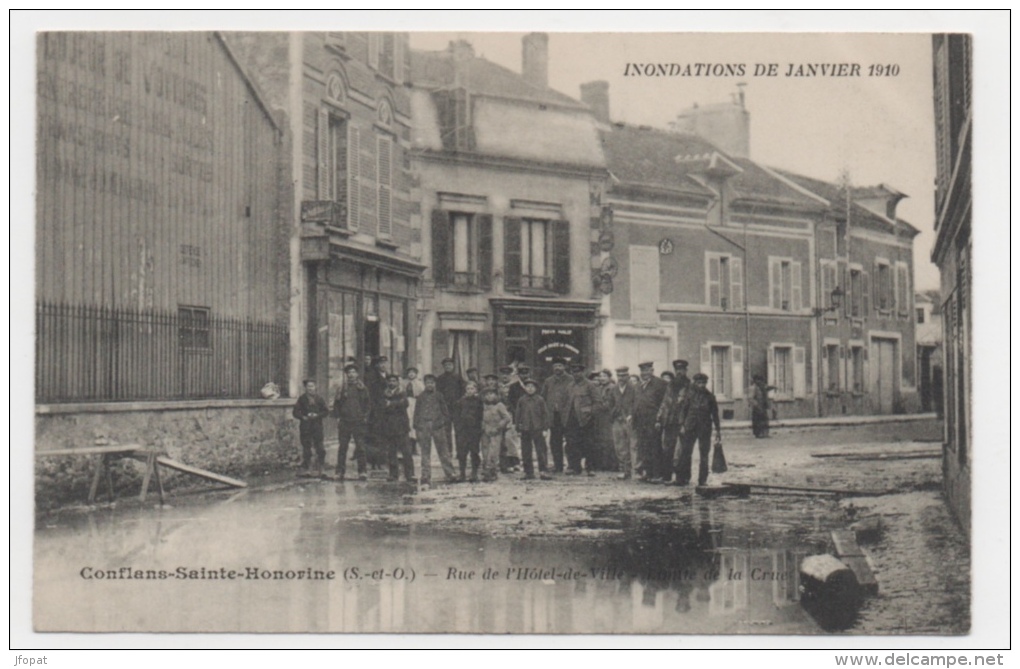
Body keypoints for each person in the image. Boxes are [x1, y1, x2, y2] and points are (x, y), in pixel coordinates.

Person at [673, 372, 722, 487]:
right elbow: (682, 411)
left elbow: (715, 414)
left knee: (704, 454)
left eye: (703, 383)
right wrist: (682, 425)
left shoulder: (710, 397)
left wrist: (718, 430)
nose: (701, 385)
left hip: (705, 429)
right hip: (689, 428)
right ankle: (682, 478)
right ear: (694, 383)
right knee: (685, 453)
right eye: (699, 382)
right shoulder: (689, 395)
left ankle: (702, 480)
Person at [413, 374, 457, 487]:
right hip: (424, 427)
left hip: (438, 426)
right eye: (427, 383)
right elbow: (416, 413)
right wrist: (417, 427)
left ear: (435, 384)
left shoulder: (439, 396)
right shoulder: (420, 397)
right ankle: (425, 476)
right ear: (424, 384)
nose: (430, 385)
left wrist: (442, 423)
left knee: (443, 452)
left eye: (432, 383)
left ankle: (450, 473)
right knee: (425, 453)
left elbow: (445, 411)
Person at [330, 364, 370, 481]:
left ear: (357, 374)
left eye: (353, 372)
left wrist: (364, 417)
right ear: (346, 375)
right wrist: (338, 417)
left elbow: (367, 405)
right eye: (349, 373)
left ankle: (362, 471)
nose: (351, 375)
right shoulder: (342, 388)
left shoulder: (362, 388)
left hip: (358, 422)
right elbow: (336, 405)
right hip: (345, 422)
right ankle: (339, 472)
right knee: (342, 448)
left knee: (361, 448)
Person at [632, 361, 668, 482]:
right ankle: (647, 472)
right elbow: (636, 403)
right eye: (642, 371)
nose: (645, 373)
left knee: (655, 447)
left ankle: (657, 474)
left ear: (652, 371)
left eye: (647, 370)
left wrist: (659, 420)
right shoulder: (638, 385)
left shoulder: (661, 384)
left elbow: (664, 404)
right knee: (643, 448)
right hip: (641, 422)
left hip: (654, 421)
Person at [655, 360, 690, 483]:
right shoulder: (671, 385)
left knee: (682, 451)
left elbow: (689, 407)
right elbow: (665, 403)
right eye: (677, 370)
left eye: (681, 369)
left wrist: (685, 424)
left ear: (686, 370)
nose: (679, 372)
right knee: (667, 449)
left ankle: (682, 478)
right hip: (669, 422)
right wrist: (659, 419)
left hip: (682, 423)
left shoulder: (690, 385)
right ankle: (667, 477)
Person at [565, 362, 600, 476]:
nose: (576, 374)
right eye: (573, 372)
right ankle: (575, 467)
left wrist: (590, 414)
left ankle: (590, 468)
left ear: (583, 372)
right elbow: (566, 402)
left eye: (578, 372)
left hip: (586, 420)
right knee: (572, 444)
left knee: (589, 444)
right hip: (572, 419)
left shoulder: (590, 385)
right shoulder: (570, 386)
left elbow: (597, 402)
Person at [380, 374, 414, 484]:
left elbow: (405, 403)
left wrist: (391, 404)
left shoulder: (402, 392)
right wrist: (394, 405)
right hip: (389, 426)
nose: (392, 383)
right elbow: (381, 406)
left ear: (397, 382)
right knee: (391, 452)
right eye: (390, 381)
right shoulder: (384, 393)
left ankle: (410, 474)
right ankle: (393, 474)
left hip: (401, 426)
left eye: (394, 381)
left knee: (406, 451)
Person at [515, 379, 552, 480]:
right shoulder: (522, 400)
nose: (530, 389)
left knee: (541, 450)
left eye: (532, 387)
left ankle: (543, 471)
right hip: (525, 429)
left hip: (538, 428)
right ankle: (528, 472)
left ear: (536, 389)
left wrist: (545, 428)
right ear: (525, 388)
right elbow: (518, 414)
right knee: (526, 451)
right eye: (528, 387)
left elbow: (545, 414)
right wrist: (518, 428)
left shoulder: (540, 400)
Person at [540, 358, 573, 473]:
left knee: (570, 441)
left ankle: (572, 465)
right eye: (555, 366)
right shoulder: (548, 381)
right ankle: (558, 465)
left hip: (568, 416)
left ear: (565, 367)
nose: (557, 368)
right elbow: (543, 397)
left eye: (560, 365)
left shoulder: (571, 380)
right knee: (555, 441)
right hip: (554, 416)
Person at [292, 379, 329, 478]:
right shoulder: (302, 399)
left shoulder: (319, 399)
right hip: (306, 426)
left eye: (312, 386)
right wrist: (303, 417)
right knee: (306, 448)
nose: (310, 388)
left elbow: (326, 411)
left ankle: (321, 468)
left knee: (320, 448)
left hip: (317, 426)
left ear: (315, 387)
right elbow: (295, 412)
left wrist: (317, 415)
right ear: (305, 388)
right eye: (308, 386)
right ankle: (307, 469)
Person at [606, 366, 637, 479]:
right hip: (617, 420)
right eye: (619, 375)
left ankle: (635, 470)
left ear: (628, 376)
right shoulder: (614, 389)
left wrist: (631, 414)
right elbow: (609, 404)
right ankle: (624, 470)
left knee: (632, 446)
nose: (622, 378)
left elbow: (636, 404)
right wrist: (614, 412)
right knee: (620, 446)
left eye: (624, 375)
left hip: (630, 420)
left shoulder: (634, 388)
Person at [453, 381, 483, 482]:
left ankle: (474, 473)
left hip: (474, 430)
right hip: (463, 431)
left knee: (474, 451)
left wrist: (479, 428)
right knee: (462, 452)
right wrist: (458, 428)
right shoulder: (461, 402)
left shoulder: (479, 401)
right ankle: (462, 474)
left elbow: (481, 415)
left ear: (476, 390)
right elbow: (456, 416)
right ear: (465, 390)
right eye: (468, 389)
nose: (470, 391)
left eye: (472, 388)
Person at [479, 388, 512, 482]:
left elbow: (507, 418)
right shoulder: (483, 406)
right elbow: (480, 417)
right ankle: (486, 470)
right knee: (485, 450)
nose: (489, 396)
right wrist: (482, 426)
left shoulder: (499, 405)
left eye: (491, 394)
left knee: (493, 451)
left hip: (496, 431)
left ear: (496, 395)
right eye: (487, 394)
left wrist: (498, 427)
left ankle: (492, 471)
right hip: (485, 431)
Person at [364, 355, 390, 468]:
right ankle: (374, 461)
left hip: (388, 411)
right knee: (375, 436)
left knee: (386, 436)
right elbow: (369, 395)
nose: (383, 365)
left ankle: (383, 460)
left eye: (385, 363)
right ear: (376, 365)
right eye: (381, 363)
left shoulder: (390, 377)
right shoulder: (371, 377)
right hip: (376, 411)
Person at [435, 357, 465, 454]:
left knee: (459, 431)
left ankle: (460, 452)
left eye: (450, 365)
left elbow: (463, 392)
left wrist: (459, 402)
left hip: (456, 408)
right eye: (446, 365)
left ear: (453, 366)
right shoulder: (440, 379)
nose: (448, 367)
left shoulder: (458, 378)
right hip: (445, 409)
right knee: (446, 431)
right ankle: (449, 451)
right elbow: (438, 393)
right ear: (443, 367)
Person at [497, 365, 524, 472]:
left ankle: (515, 461)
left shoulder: (516, 387)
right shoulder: (497, 387)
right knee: (500, 439)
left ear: (511, 376)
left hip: (511, 415)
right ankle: (503, 462)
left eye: (507, 375)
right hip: (498, 416)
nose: (505, 377)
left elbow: (519, 402)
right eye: (503, 374)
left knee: (511, 438)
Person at [592, 369, 617, 471]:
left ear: (609, 377)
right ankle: (601, 464)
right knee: (600, 440)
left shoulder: (612, 388)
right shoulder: (598, 388)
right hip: (599, 417)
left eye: (604, 376)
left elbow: (610, 403)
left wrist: (599, 406)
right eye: (601, 376)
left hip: (608, 417)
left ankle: (611, 465)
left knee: (609, 441)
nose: (602, 378)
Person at [404, 367, 425, 453]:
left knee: (415, 423)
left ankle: (416, 446)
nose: (411, 374)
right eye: (409, 372)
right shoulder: (404, 383)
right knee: (407, 421)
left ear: (416, 374)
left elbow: (423, 394)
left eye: (413, 373)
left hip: (415, 403)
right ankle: (407, 445)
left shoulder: (419, 384)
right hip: (406, 403)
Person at [750, 374, 771, 438]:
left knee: (764, 420)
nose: (760, 382)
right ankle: (758, 434)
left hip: (763, 407)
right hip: (757, 408)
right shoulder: (754, 388)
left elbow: (767, 389)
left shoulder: (762, 387)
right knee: (757, 421)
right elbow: (751, 398)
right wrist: (756, 405)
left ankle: (765, 433)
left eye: (761, 381)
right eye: (759, 380)